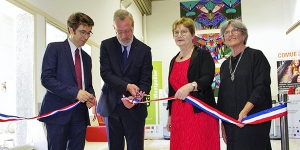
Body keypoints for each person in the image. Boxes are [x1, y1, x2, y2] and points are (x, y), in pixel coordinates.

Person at [97, 9, 152, 150]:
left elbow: (146, 81)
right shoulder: (106, 46)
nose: (124, 35)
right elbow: (106, 74)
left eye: (127, 30)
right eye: (119, 31)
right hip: (112, 108)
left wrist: (137, 99)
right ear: (114, 28)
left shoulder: (144, 50)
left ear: (133, 25)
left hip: (135, 110)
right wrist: (127, 86)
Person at [39, 12, 95, 150]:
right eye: (82, 32)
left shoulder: (87, 58)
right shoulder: (54, 49)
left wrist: (91, 96)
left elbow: (87, 85)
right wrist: (75, 93)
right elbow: (46, 79)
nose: (86, 37)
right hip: (57, 114)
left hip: (80, 116)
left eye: (89, 33)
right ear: (71, 29)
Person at [217, 19, 272, 150]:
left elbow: (261, 87)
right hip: (231, 123)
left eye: (235, 30)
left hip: (252, 119)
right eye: (226, 32)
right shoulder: (225, 65)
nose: (230, 34)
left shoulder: (256, 56)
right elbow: (223, 96)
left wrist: (245, 111)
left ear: (244, 35)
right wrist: (223, 124)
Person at [166, 17, 220, 150]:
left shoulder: (203, 55)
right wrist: (170, 115)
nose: (179, 35)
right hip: (178, 114)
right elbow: (172, 91)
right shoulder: (173, 61)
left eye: (184, 32)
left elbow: (207, 78)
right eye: (176, 32)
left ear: (192, 35)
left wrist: (190, 86)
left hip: (199, 113)